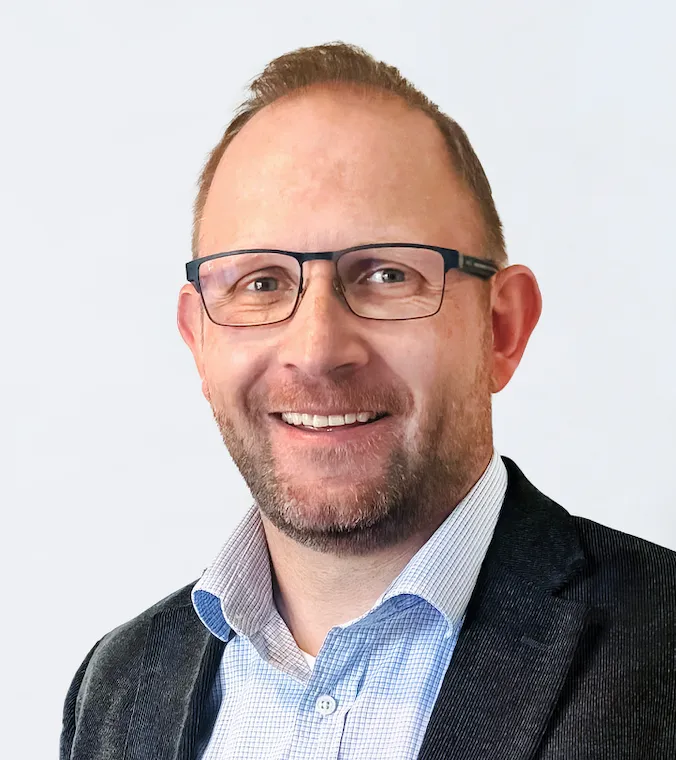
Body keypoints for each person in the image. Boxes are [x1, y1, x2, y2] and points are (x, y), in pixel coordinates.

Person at [60, 42, 675, 760]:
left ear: (502, 329)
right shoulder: (117, 686)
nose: (318, 349)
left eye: (386, 275)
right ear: (198, 340)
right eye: (260, 284)